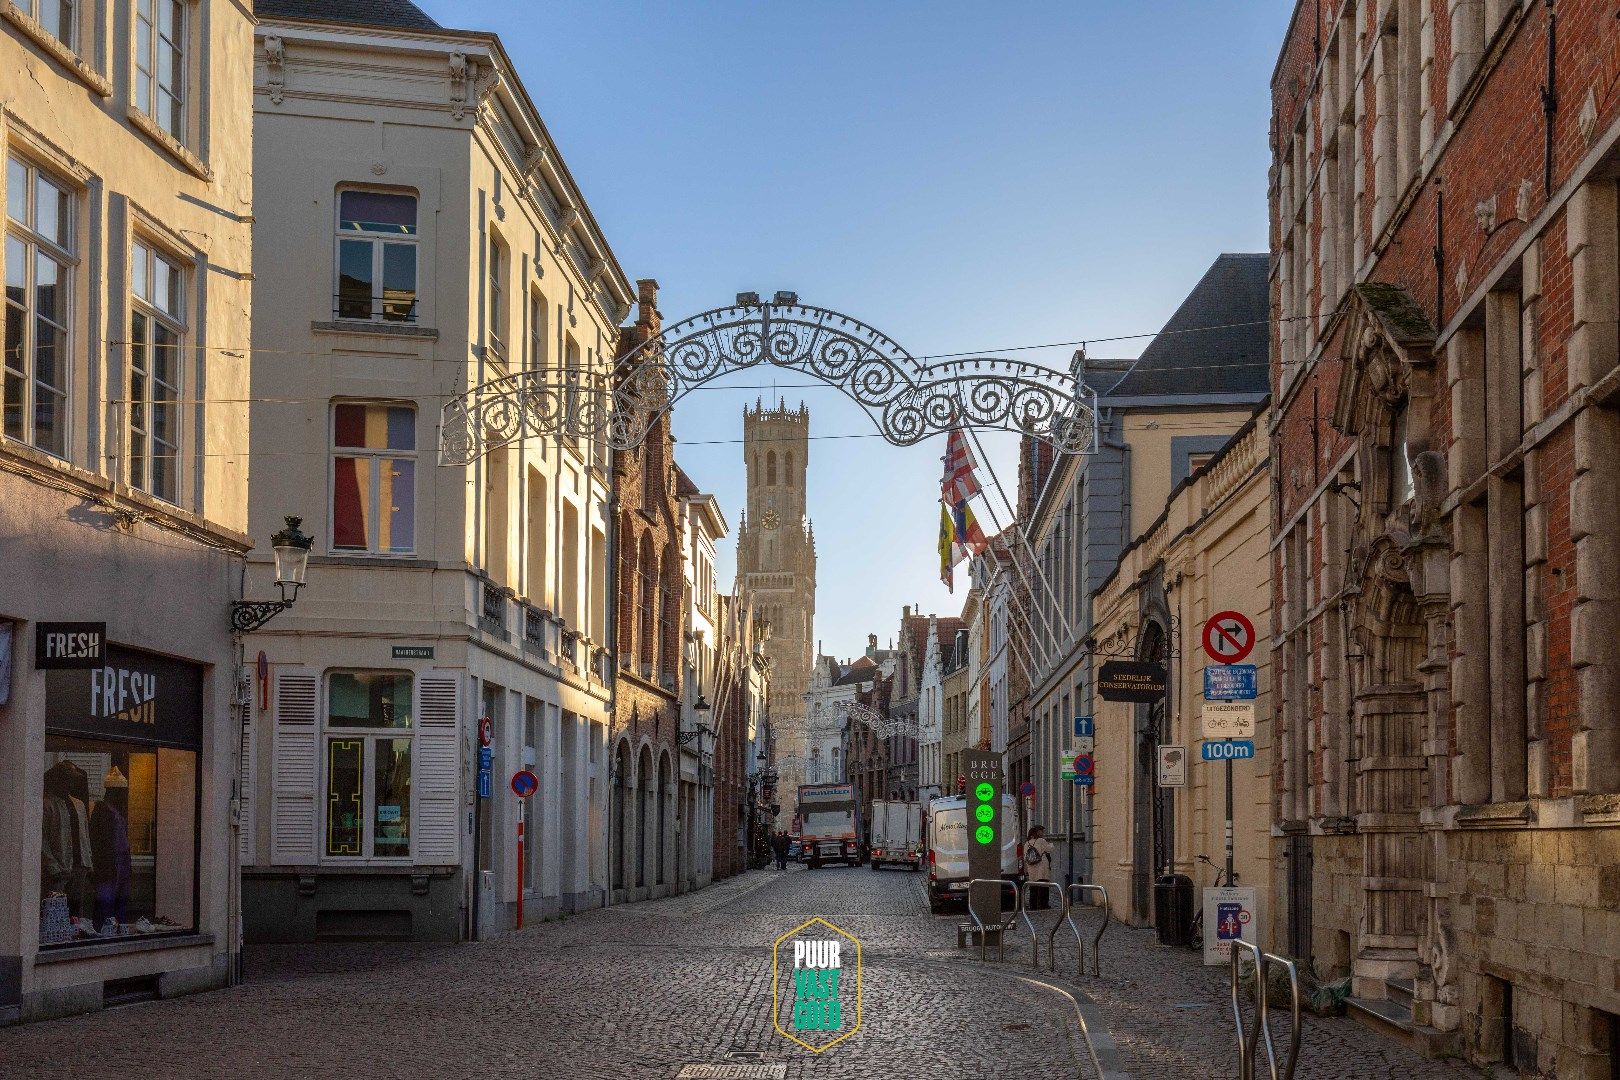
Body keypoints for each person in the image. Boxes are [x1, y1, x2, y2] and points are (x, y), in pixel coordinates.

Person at [1024, 825, 1054, 909]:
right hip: (1041, 866)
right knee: (1044, 886)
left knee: (1033, 887)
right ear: (1037, 832)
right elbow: (1050, 849)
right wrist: (1051, 844)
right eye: (1042, 831)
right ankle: (1043, 904)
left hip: (1031, 866)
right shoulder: (1041, 841)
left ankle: (1033, 905)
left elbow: (1025, 856)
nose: (1043, 833)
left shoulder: (1027, 843)